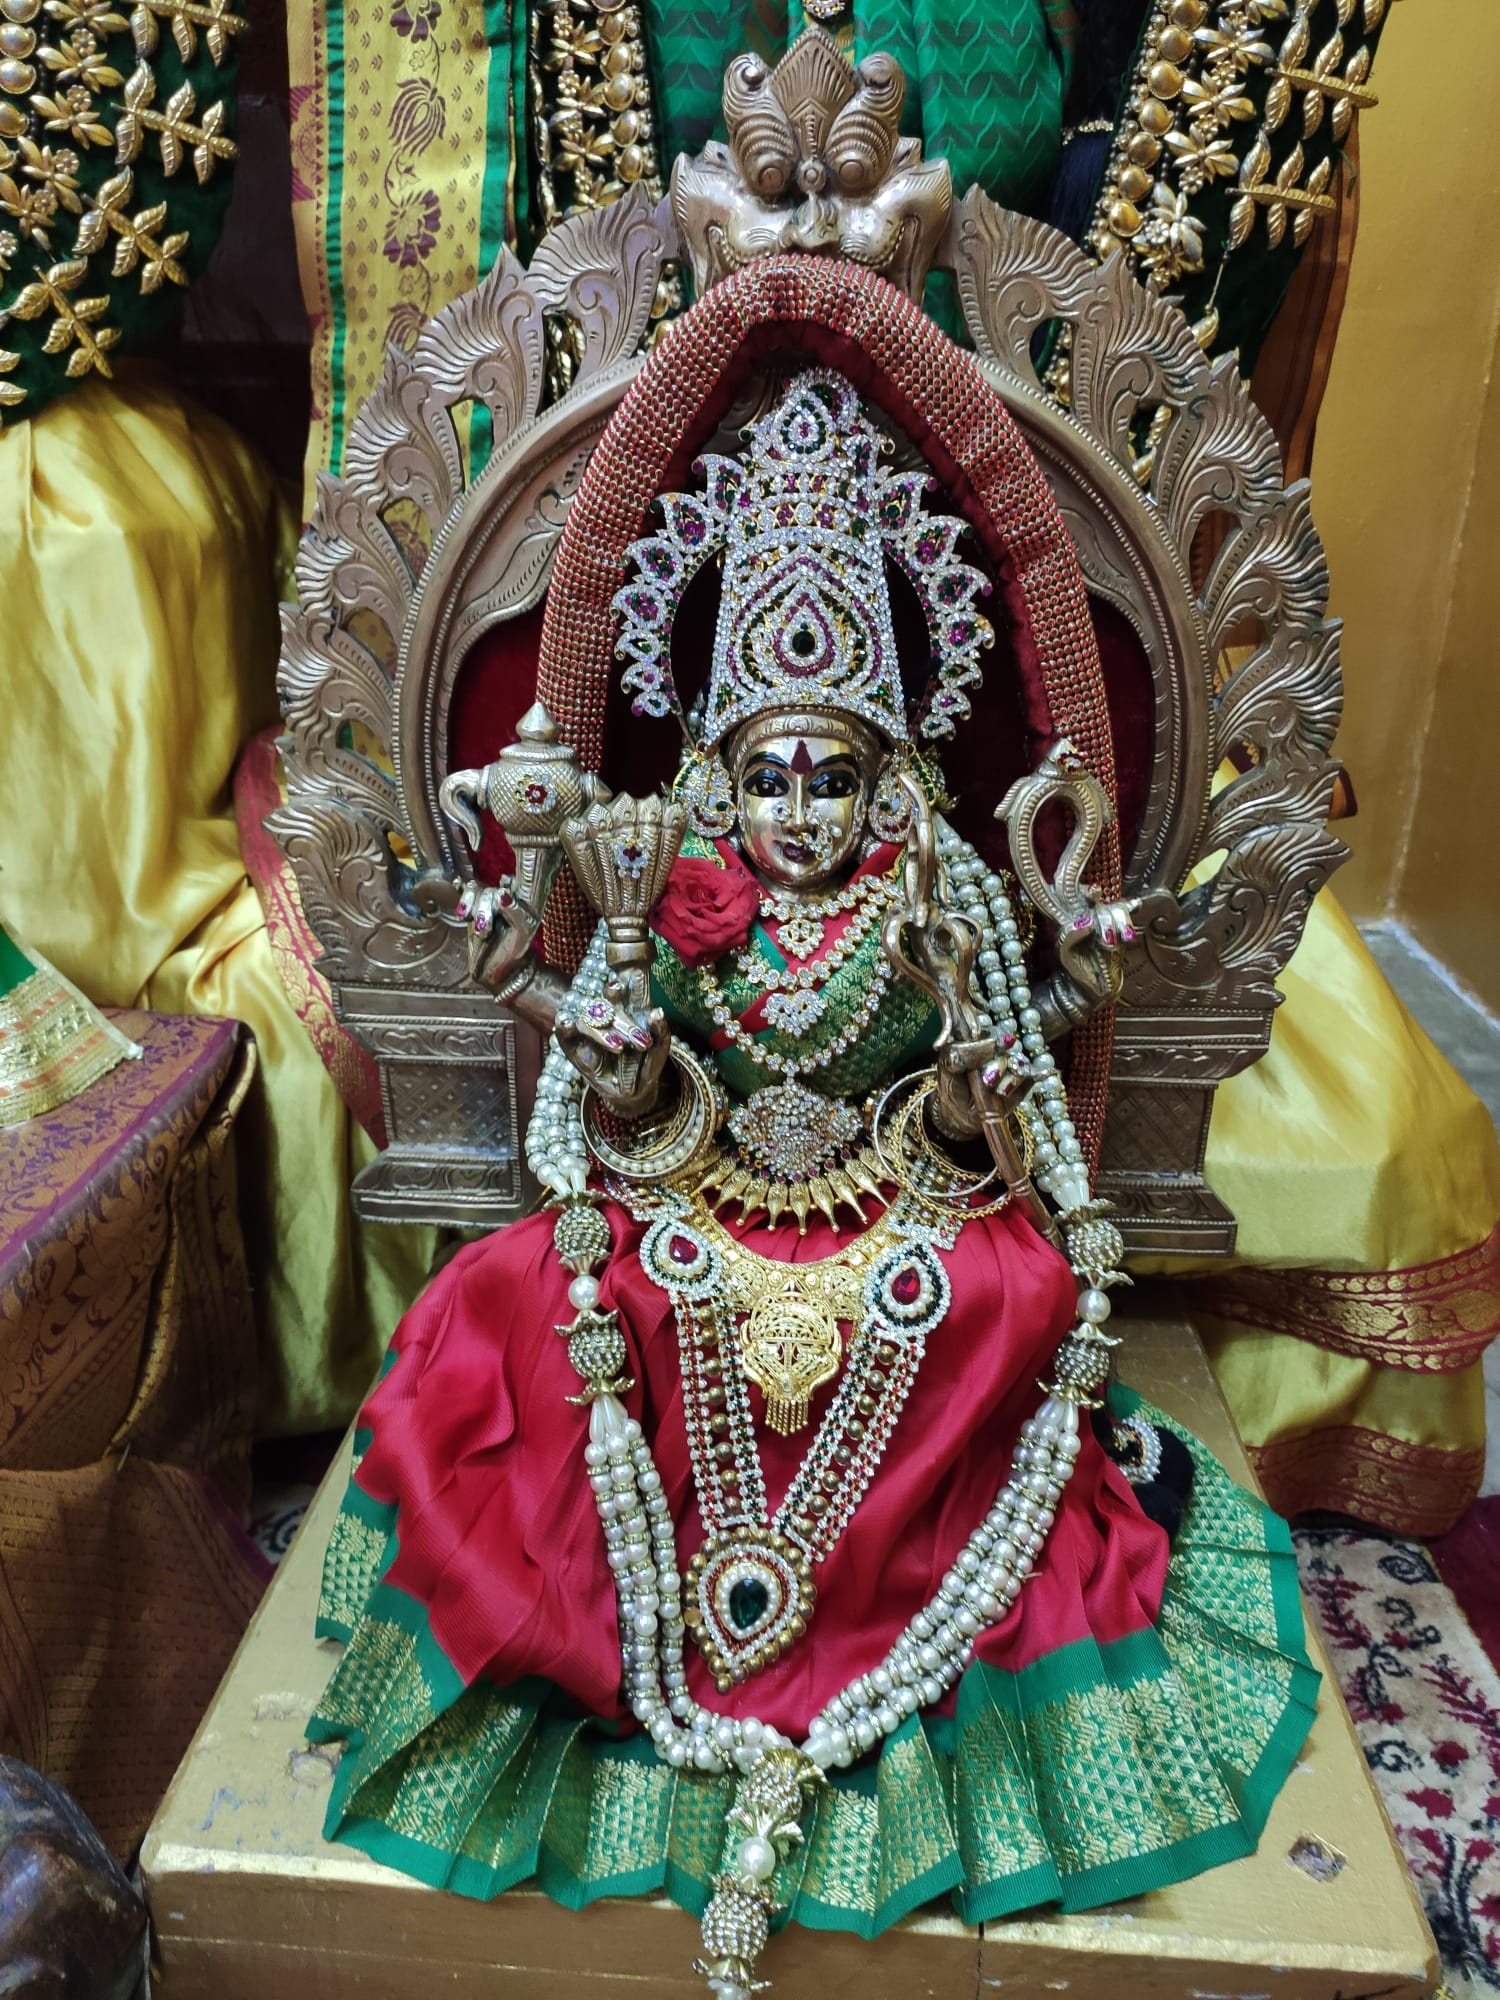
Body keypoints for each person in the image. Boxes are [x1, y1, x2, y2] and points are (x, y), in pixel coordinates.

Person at [309, 371, 1316, 1997]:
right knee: (554, 1289)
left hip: (900, 1203)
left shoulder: (939, 891)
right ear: (723, 771)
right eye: (769, 777)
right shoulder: (672, 885)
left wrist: (979, 1108)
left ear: (885, 777)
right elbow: (627, 1118)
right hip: (698, 1199)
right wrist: (628, 1067)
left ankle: (850, 1661)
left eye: (829, 779)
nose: (797, 815)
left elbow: (988, 1102)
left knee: (997, 1295)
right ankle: (645, 1659)